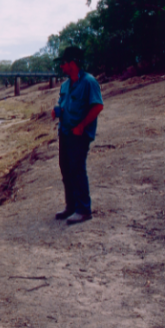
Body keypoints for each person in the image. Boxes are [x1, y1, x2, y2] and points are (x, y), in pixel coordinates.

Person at [52, 46, 103, 225]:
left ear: (72, 63)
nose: (61, 67)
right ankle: (71, 207)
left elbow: (97, 106)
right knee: (66, 169)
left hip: (79, 135)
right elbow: (63, 104)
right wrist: (56, 111)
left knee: (77, 169)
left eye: (63, 63)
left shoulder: (89, 82)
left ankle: (83, 210)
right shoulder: (65, 85)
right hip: (65, 133)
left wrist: (81, 126)